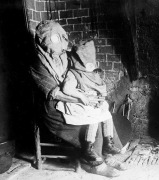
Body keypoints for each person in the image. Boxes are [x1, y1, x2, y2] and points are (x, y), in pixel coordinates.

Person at [30, 20, 124, 177]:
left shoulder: (65, 55)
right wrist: (82, 99)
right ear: (43, 40)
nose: (60, 44)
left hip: (73, 97)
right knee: (90, 119)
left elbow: (81, 72)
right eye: (54, 39)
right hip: (52, 108)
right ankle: (94, 163)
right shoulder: (37, 62)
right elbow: (55, 93)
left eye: (61, 38)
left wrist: (92, 92)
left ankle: (107, 154)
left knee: (102, 112)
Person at [55, 40, 122, 164]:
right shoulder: (73, 73)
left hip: (91, 99)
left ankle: (108, 143)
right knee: (93, 115)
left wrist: (101, 99)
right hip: (76, 101)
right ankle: (88, 147)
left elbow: (100, 86)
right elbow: (67, 89)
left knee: (106, 111)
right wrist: (82, 97)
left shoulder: (91, 72)